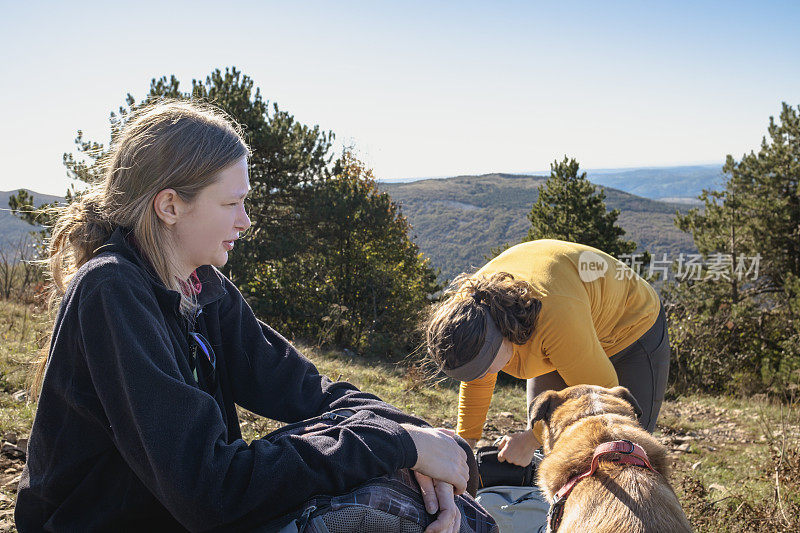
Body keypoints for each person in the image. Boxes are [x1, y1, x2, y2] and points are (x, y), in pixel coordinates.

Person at [15, 100, 470, 532]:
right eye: (231, 204)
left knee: (385, 472)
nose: (246, 221)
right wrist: (397, 446)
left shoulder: (201, 288)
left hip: (176, 516)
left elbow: (309, 391)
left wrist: (424, 440)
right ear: (170, 206)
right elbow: (209, 491)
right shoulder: (112, 291)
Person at [425, 240, 670, 467]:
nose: (484, 375)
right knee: (551, 444)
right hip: (567, 323)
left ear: (504, 333)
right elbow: (477, 377)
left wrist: (529, 440)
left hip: (631, 328)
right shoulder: (466, 311)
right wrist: (464, 446)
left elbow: (603, 398)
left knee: (621, 447)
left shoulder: (555, 320)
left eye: (486, 365)